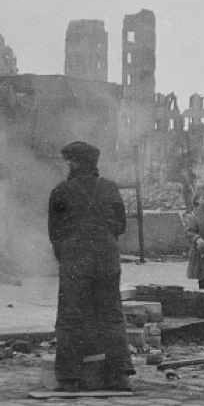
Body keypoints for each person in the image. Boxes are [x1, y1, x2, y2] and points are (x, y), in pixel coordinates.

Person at [48, 140, 135, 392]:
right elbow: (120, 225)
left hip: (76, 259)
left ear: (73, 163)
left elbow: (55, 232)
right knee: (111, 314)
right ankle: (120, 375)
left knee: (70, 316)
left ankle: (68, 379)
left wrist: (66, 257)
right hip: (107, 257)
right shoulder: (110, 189)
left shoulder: (61, 191)